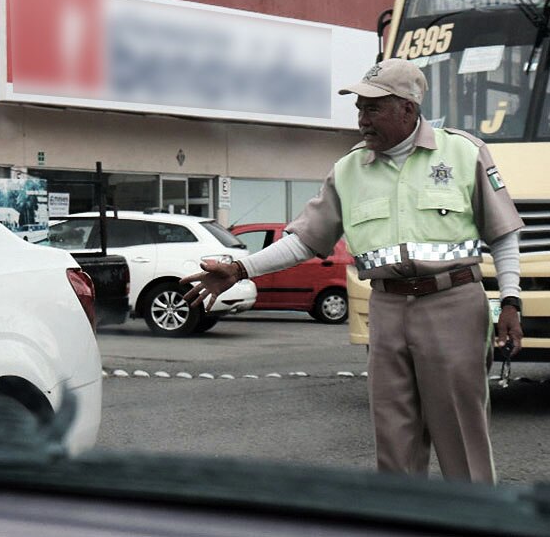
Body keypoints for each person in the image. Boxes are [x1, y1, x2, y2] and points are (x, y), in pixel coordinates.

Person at [181, 58, 523, 484]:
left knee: (461, 435)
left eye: (372, 108)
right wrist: (240, 267)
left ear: (408, 110)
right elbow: (305, 241)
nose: (362, 119)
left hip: (452, 303)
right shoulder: (348, 170)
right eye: (359, 107)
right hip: (388, 308)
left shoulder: (463, 152)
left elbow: (503, 234)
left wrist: (510, 299)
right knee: (394, 439)